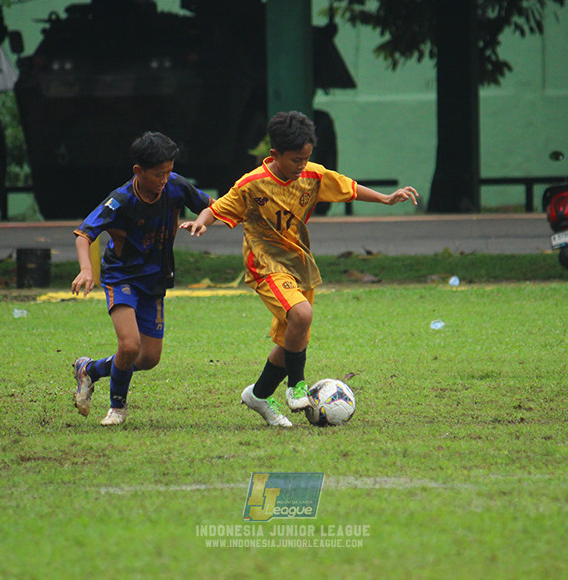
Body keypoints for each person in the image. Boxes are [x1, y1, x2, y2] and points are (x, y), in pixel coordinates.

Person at [179, 111, 418, 426]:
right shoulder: (252, 185)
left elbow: (349, 187)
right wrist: (201, 221)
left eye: (306, 158)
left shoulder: (313, 175)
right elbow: (219, 207)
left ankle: (259, 395)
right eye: (295, 160)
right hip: (265, 262)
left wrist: (386, 199)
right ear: (274, 155)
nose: (302, 166)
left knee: (292, 339)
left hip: (299, 263)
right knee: (302, 315)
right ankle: (296, 386)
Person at [70, 131, 212, 426]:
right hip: (121, 276)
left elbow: (213, 205)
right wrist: (86, 269)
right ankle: (117, 406)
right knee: (130, 345)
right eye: (159, 174)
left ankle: (90, 370)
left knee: (148, 358)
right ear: (139, 171)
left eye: (169, 171)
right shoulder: (120, 200)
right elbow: (84, 234)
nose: (165, 179)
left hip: (155, 280)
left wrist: (201, 220)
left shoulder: (175, 186)